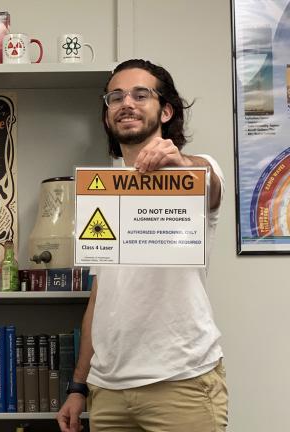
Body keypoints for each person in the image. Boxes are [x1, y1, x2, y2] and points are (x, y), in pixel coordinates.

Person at [56, 59, 228, 432]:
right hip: (109, 390)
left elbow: (210, 182)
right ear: (107, 115)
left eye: (140, 94)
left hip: (182, 383)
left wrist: (180, 161)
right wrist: (78, 386)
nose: (126, 103)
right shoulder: (100, 191)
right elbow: (102, 297)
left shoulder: (195, 173)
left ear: (166, 110)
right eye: (115, 97)